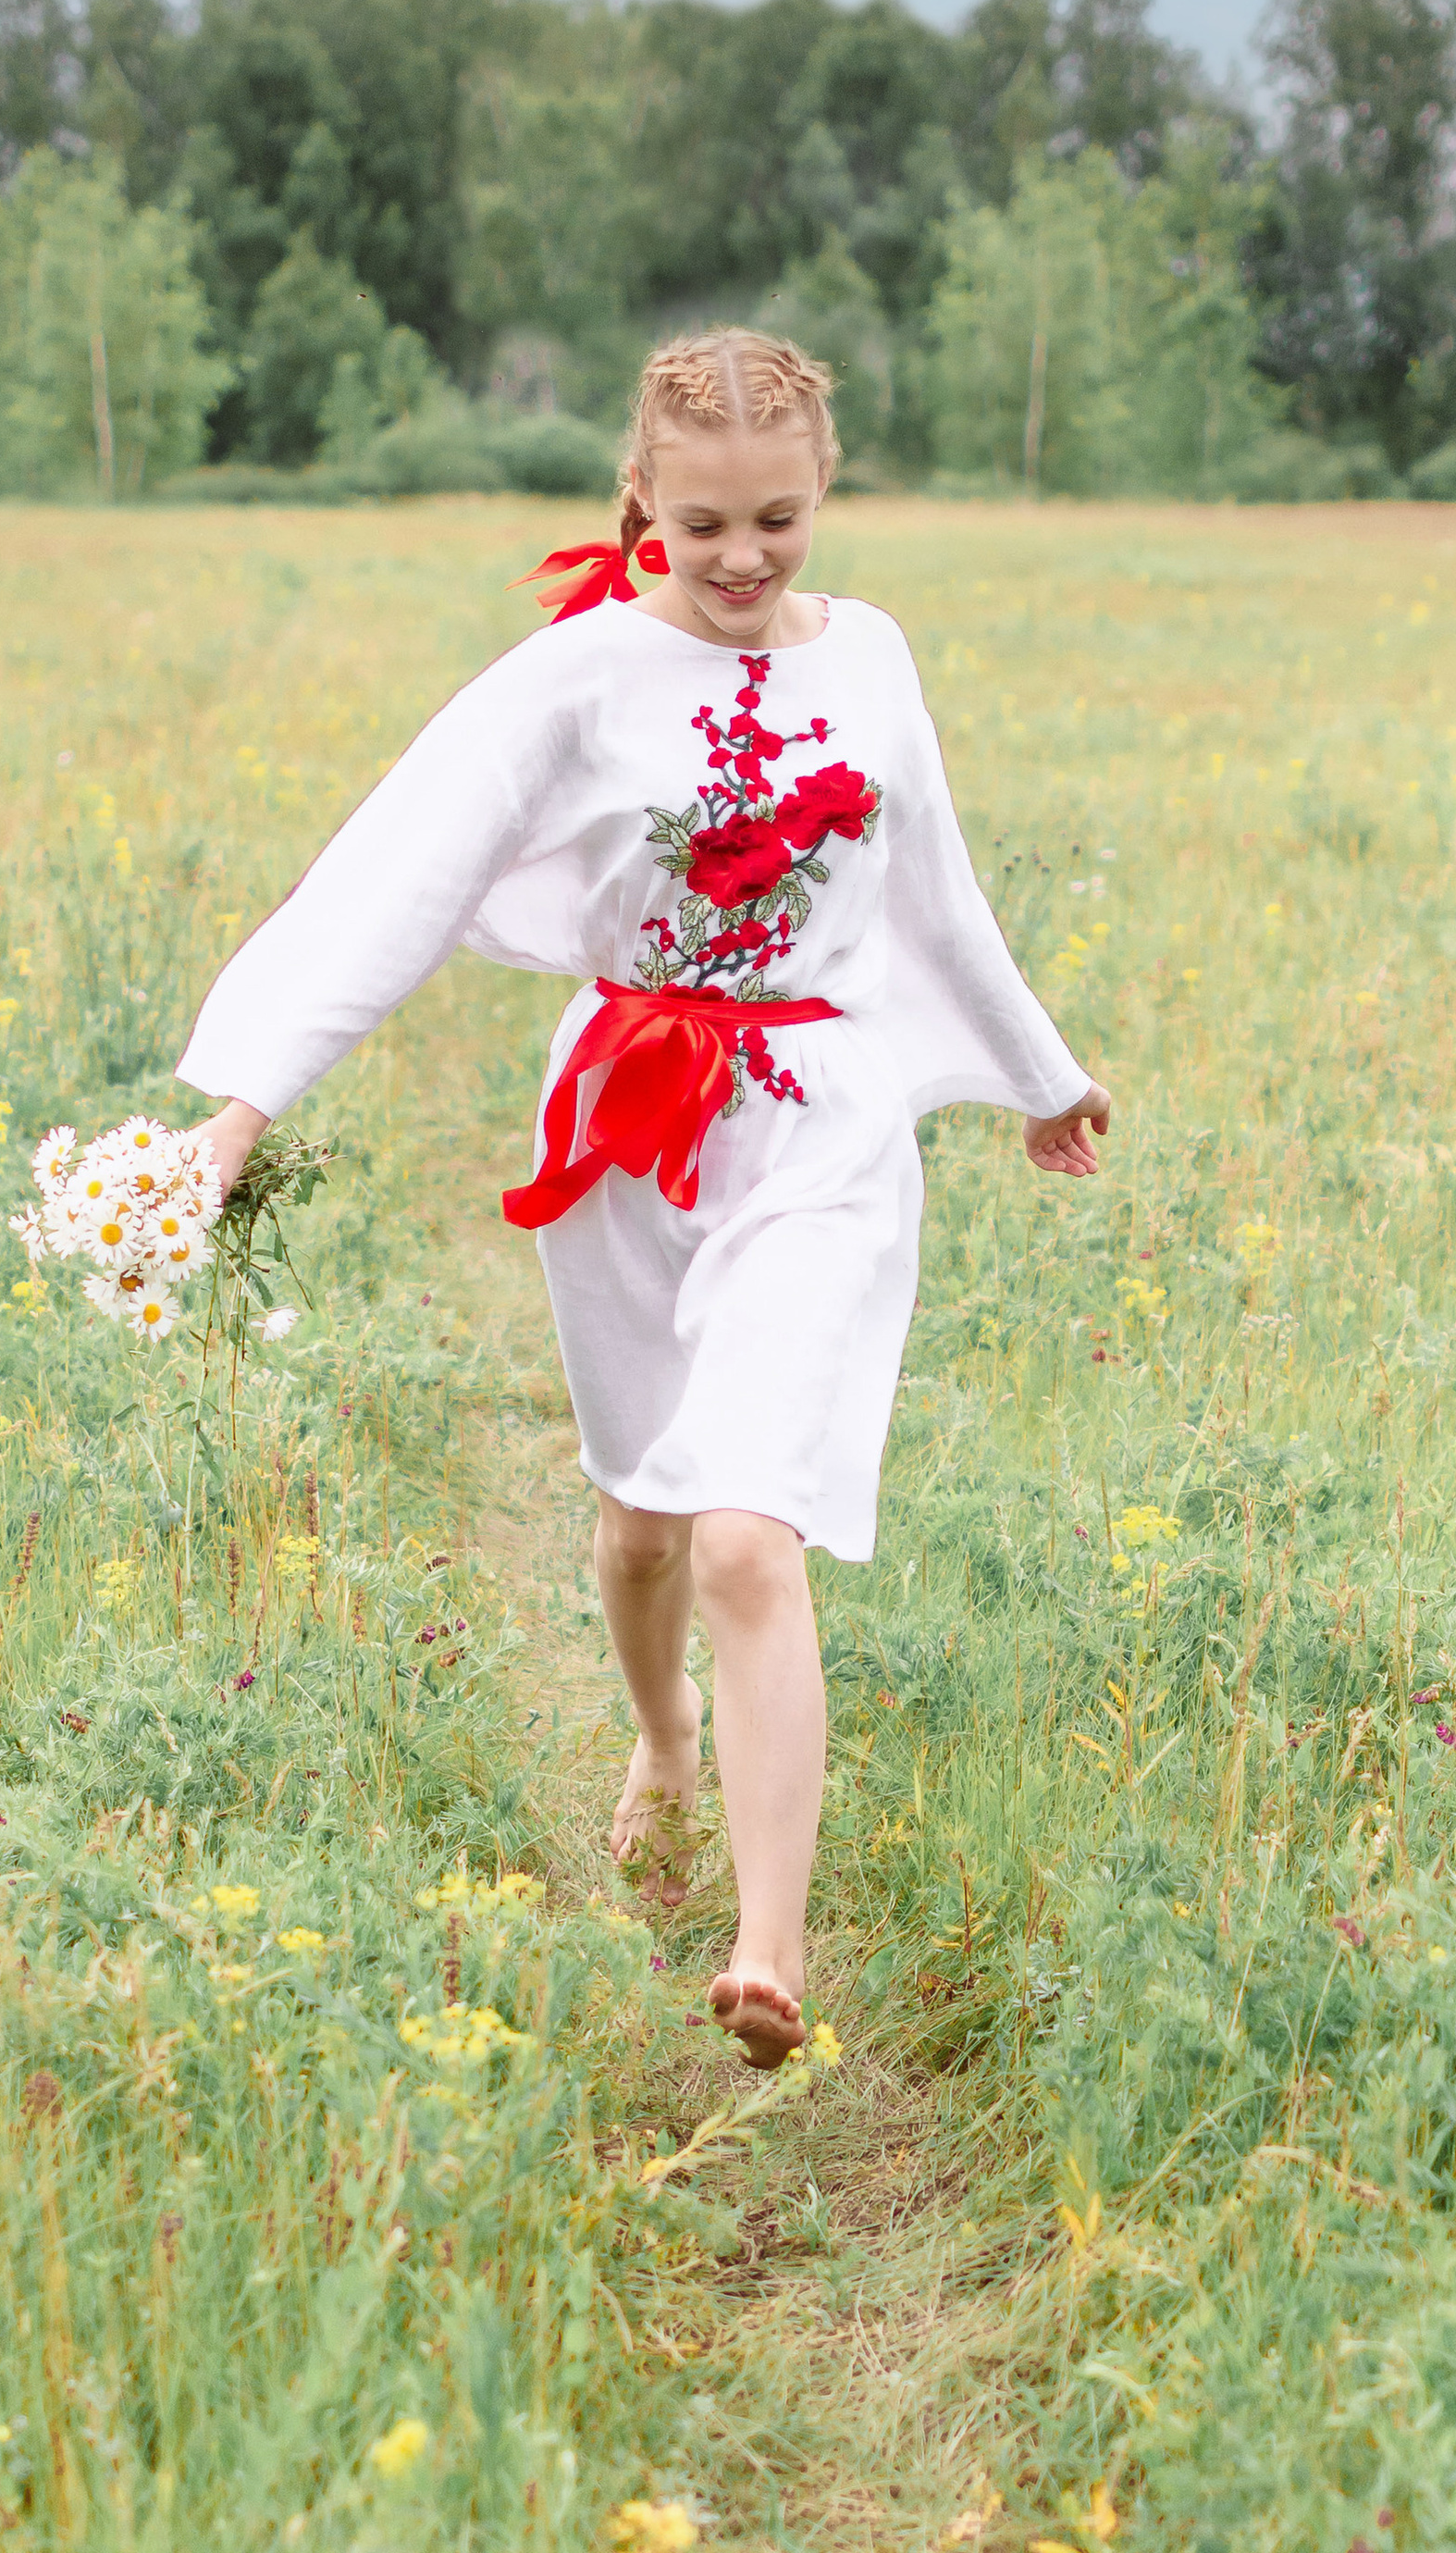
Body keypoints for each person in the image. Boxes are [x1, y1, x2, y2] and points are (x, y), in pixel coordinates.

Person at [180, 328, 1110, 2068]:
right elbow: (395, 876)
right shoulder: (574, 681)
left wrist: (1039, 1075)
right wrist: (240, 1112)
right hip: (630, 1118)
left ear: (826, 488)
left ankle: (770, 1946)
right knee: (643, 1521)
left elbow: (939, 885)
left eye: (780, 519)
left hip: (822, 1125)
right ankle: (662, 1739)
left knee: (754, 1529)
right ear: (643, 504)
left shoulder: (882, 661)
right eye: (705, 528)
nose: (748, 560)